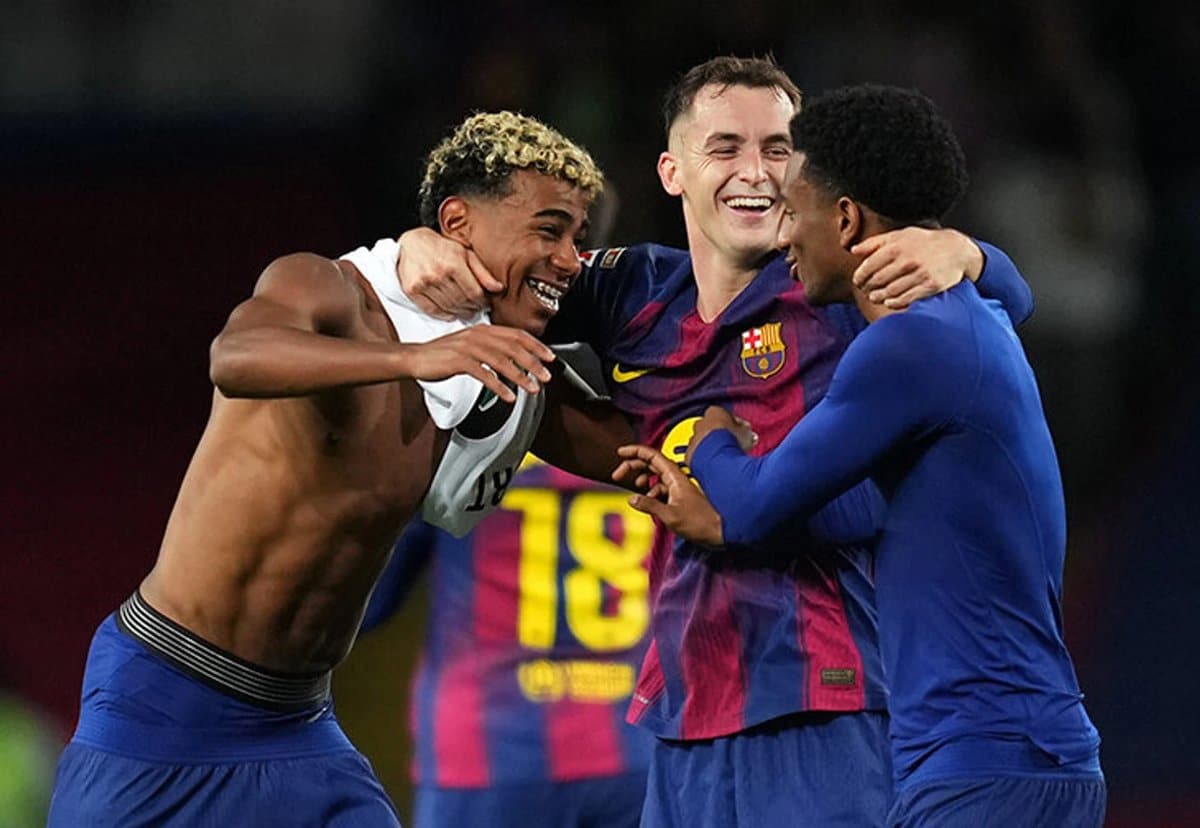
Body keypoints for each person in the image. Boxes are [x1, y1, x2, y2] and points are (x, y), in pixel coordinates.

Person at [394, 57, 1035, 827]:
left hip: (826, 700)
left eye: (777, 149)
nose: (756, 172)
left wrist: (972, 254)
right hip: (682, 711)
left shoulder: (836, 287)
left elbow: (996, 312)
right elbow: (501, 279)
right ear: (673, 171)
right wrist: (411, 249)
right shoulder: (632, 291)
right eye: (726, 147)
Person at [46, 111, 623, 828]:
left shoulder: (505, 367)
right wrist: (411, 360)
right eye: (550, 229)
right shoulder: (329, 289)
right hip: (162, 699)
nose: (571, 258)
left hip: (297, 728)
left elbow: (637, 455)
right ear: (458, 221)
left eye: (575, 235)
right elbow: (235, 359)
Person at [618, 84, 1106, 827]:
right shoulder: (970, 319)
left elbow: (751, 502)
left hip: (990, 759)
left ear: (845, 218)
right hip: (999, 753)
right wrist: (970, 251)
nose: (783, 236)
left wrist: (708, 431)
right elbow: (865, 505)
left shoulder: (908, 347)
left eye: (794, 208)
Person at [361, 456, 656, 827]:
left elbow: (367, 606)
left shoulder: (459, 440)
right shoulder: (662, 427)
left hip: (486, 752)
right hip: (640, 749)